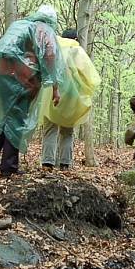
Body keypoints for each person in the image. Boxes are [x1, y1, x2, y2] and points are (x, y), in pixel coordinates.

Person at [0, 5, 65, 177]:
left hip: (2, 75)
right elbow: (50, 57)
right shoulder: (44, 30)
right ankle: (9, 167)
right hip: (23, 79)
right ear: (52, 20)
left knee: (8, 115)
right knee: (17, 120)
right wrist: (55, 88)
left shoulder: (20, 25)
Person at [40, 29, 100, 170]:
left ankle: (47, 163)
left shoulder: (54, 48)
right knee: (67, 131)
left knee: (50, 129)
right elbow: (89, 75)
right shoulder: (77, 51)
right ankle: (65, 164)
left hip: (51, 92)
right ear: (75, 38)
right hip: (72, 96)